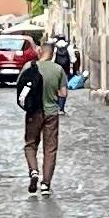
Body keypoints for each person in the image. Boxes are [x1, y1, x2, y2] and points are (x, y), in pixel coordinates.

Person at [21, 33, 71, 197]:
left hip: (33, 112)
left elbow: (20, 87)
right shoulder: (58, 69)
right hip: (51, 113)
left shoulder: (29, 67)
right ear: (53, 53)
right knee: (50, 148)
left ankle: (33, 171)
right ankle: (45, 184)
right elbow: (63, 94)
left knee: (30, 144)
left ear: (41, 51)